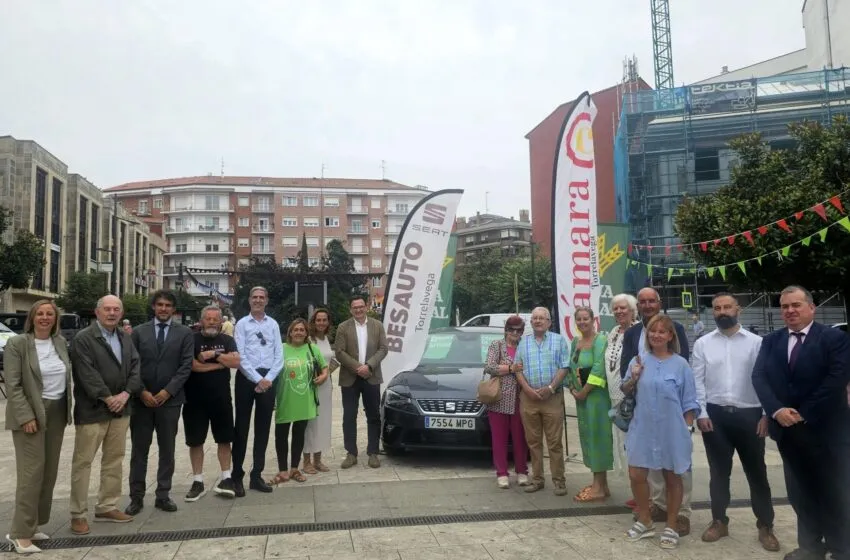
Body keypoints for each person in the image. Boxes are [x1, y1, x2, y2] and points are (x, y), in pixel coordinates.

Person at [752, 285, 850, 560]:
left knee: (834, 492)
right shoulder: (771, 341)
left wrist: (803, 412)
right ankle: (810, 548)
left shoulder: (835, 339)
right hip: (788, 434)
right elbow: (759, 377)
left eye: (796, 305)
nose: (790, 311)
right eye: (784, 307)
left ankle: (841, 548)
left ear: (811, 307)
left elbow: (836, 379)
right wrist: (776, 410)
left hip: (827, 431)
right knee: (801, 495)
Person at [692, 293, 779, 551]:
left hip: (750, 416)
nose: (722, 311)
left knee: (757, 473)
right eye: (717, 308)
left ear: (737, 309)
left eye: (727, 306)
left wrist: (766, 414)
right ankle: (719, 520)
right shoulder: (703, 344)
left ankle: (765, 525)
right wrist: (702, 413)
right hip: (715, 417)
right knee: (718, 473)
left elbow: (766, 380)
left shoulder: (757, 343)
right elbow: (698, 381)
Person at [623, 314, 699, 550]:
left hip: (672, 430)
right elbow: (625, 390)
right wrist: (633, 377)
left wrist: (687, 429)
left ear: (670, 336)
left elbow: (689, 402)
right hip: (642, 427)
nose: (656, 335)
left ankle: (671, 524)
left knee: (673, 478)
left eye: (661, 331)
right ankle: (645, 520)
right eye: (652, 331)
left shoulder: (681, 364)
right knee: (636, 474)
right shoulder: (638, 360)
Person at [69, 295, 141, 535]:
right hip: (92, 411)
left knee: (114, 460)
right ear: (97, 312)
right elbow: (86, 373)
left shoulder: (124, 337)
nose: (112, 313)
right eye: (107, 309)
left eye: (116, 309)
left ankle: (107, 506)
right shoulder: (84, 339)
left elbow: (135, 367)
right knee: (83, 462)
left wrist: (126, 394)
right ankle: (78, 514)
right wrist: (108, 397)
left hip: (121, 410)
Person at [4, 300, 72, 554]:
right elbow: (13, 384)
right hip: (31, 412)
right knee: (31, 473)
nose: (45, 318)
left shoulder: (60, 343)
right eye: (40, 314)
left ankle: (33, 525)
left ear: (55, 319)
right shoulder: (18, 344)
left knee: (49, 471)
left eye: (50, 314)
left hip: (57, 411)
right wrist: (26, 416)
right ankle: (19, 532)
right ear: (31, 318)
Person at [125, 290, 194, 516]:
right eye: (160, 305)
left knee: (167, 450)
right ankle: (136, 497)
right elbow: (131, 366)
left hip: (170, 402)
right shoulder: (137, 332)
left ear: (174, 309)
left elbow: (185, 366)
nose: (163, 309)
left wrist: (168, 391)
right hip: (141, 401)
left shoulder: (184, 333)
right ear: (153, 307)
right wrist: (142, 391)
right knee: (139, 451)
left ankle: (163, 495)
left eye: (168, 305)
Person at [184, 305, 241, 501]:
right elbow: (193, 366)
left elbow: (235, 362)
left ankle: (226, 477)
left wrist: (214, 355)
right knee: (195, 441)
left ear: (220, 321)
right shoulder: (191, 339)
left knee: (224, 439)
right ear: (201, 321)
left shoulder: (227, 339)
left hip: (221, 399)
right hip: (194, 400)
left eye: (215, 319)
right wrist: (220, 364)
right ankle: (197, 481)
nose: (211, 322)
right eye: (207, 318)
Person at [232, 286, 284, 496]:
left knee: (263, 429)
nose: (258, 300)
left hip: (268, 380)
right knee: (241, 428)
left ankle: (256, 475)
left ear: (267, 300)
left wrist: (268, 379)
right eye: (255, 297)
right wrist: (257, 379)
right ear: (249, 300)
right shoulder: (242, 324)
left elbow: (279, 354)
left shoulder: (273, 324)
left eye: (262, 297)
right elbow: (240, 355)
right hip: (246, 378)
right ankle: (237, 476)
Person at [514, 307, 570, 496]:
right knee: (533, 442)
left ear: (549, 322)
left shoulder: (558, 340)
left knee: (554, 442)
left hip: (552, 397)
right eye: (534, 318)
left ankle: (559, 481)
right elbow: (517, 369)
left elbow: (564, 366)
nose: (538, 321)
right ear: (531, 322)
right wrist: (528, 390)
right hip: (528, 399)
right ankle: (537, 479)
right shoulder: (523, 343)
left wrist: (551, 388)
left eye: (542, 318)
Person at [268, 319, 329, 485]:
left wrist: (323, 376)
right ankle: (282, 470)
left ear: (306, 333)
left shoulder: (312, 348)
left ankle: (294, 468)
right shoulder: (281, 349)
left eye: (302, 330)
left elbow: (324, 367)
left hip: (305, 399)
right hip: (285, 398)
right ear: (290, 332)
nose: (299, 332)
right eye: (295, 329)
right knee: (281, 434)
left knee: (299, 434)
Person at [334, 296, 389, 469]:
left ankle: (373, 452)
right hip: (350, 377)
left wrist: (369, 366)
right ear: (351, 309)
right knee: (349, 416)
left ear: (366, 307)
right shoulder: (343, 327)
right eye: (354, 307)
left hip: (371, 376)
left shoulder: (377, 326)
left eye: (360, 306)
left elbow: (383, 348)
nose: (358, 310)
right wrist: (358, 367)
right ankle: (351, 453)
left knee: (373, 415)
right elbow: (339, 351)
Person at [568, 307, 613, 502]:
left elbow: (599, 368)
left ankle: (598, 486)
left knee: (598, 438)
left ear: (593, 320)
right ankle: (601, 484)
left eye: (586, 319)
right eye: (579, 319)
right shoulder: (575, 342)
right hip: (581, 398)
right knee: (587, 436)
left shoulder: (600, 340)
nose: (582, 322)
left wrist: (584, 392)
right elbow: (571, 366)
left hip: (596, 397)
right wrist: (572, 389)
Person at [483, 315, 529, 489]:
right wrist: (510, 368)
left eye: (519, 330)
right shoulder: (497, 345)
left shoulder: (525, 346)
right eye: (511, 329)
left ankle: (522, 471)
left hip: (521, 398)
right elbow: (489, 366)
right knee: (499, 438)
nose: (515, 333)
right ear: (506, 330)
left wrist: (506, 368)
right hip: (499, 398)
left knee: (520, 438)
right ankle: (501, 473)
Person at [605, 294, 639, 488]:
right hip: (614, 396)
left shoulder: (639, 331)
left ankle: (644, 491)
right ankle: (634, 490)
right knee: (621, 442)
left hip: (632, 396)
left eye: (623, 308)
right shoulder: (614, 332)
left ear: (632, 310)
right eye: (615, 308)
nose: (618, 312)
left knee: (634, 443)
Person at [303, 308, 336, 474]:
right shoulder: (308, 340)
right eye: (318, 320)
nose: (321, 323)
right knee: (310, 424)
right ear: (313, 322)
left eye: (324, 320)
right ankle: (306, 461)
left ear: (328, 322)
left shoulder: (326, 339)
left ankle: (318, 459)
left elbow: (329, 362)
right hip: (311, 386)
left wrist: (327, 375)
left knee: (322, 424)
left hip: (326, 386)